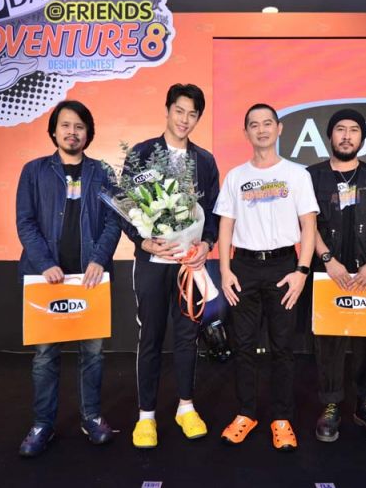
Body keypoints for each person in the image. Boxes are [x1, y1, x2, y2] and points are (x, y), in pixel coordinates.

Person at [16, 100, 121, 457]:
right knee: (45, 356)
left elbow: (114, 221)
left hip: (90, 280)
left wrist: (99, 259)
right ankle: (42, 424)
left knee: (93, 354)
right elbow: (25, 222)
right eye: (65, 125)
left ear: (88, 133)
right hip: (46, 280)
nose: (72, 132)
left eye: (79, 126)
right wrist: (44, 262)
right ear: (54, 131)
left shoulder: (102, 172)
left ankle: (92, 417)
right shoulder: (34, 171)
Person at [121, 83, 219, 449]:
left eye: (192, 114)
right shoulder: (142, 153)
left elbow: (214, 212)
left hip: (188, 265)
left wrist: (206, 244)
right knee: (150, 336)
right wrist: (141, 240)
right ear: (167, 110)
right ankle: (146, 415)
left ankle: (186, 407)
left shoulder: (204, 161)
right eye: (179, 111)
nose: (184, 119)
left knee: (187, 336)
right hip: (151, 263)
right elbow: (126, 205)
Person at [215, 103, 318, 452]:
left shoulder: (297, 175)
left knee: (283, 347)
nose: (261, 130)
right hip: (243, 267)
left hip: (283, 267)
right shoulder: (235, 176)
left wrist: (301, 271)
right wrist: (225, 270)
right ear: (246, 132)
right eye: (254, 125)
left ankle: (282, 418)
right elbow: (225, 225)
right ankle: (246, 413)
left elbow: (308, 225)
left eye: (267, 123)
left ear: (279, 129)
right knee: (243, 345)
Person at [306, 109, 366, 444]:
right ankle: (331, 405)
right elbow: (306, 223)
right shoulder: (311, 176)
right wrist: (327, 259)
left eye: (354, 130)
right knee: (328, 342)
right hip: (327, 272)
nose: (346, 136)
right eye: (340, 130)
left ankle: (365, 405)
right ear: (330, 136)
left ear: (362, 138)